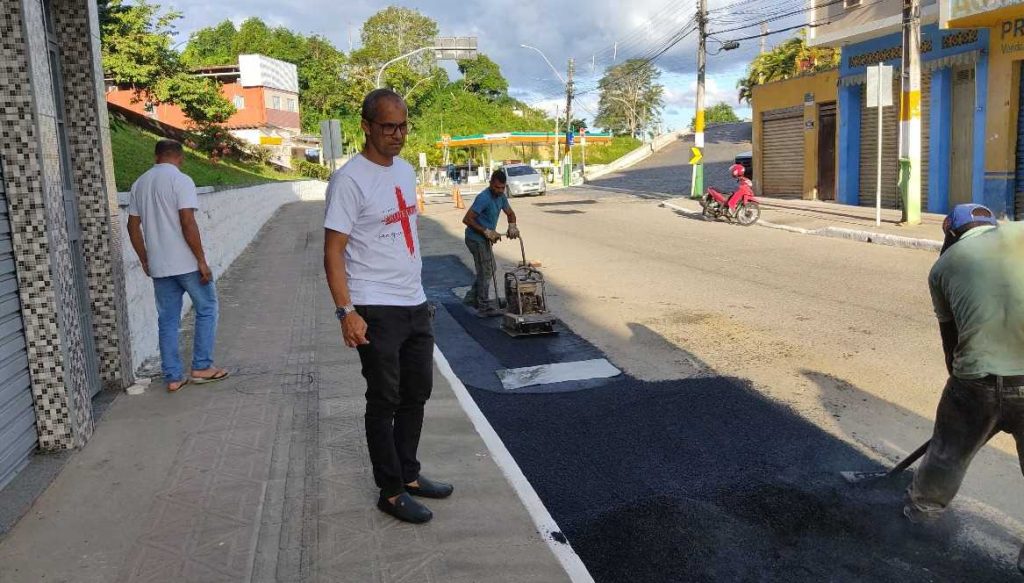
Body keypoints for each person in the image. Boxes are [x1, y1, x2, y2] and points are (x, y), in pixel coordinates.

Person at [323, 89, 453, 525]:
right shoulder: (349, 180)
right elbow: (333, 251)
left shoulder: (406, 170)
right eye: (388, 127)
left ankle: (409, 474)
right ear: (366, 126)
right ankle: (391, 491)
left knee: (416, 393)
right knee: (384, 399)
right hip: (374, 306)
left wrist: (419, 294)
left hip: (414, 301)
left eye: (403, 126)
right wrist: (346, 312)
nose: (397, 134)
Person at [904, 203, 1024, 571]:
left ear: (952, 234)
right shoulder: (1019, 236)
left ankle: (922, 516)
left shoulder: (943, 267)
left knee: (946, 456)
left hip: (976, 382)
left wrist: (961, 393)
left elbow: (951, 342)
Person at [127, 139, 229, 392]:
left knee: (167, 320)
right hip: (186, 263)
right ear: (180, 158)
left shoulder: (139, 184)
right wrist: (201, 260)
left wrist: (144, 258)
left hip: (159, 266)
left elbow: (132, 226)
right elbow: (187, 222)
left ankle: (173, 377)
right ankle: (202, 366)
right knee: (207, 308)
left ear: (156, 156)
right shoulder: (181, 181)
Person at [462, 170, 519, 317]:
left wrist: (512, 226)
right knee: (485, 271)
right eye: (497, 187)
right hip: (475, 239)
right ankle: (483, 307)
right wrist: (486, 231)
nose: (499, 190)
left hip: (485, 239)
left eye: (502, 188)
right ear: (491, 184)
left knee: (490, 268)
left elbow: (510, 213)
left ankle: (472, 298)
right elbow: (467, 219)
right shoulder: (484, 198)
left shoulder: (501, 197)